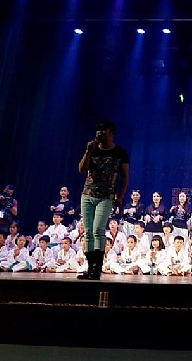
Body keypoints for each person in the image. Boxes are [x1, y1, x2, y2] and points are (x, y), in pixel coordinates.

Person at [77, 119, 130, 280]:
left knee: (98, 230)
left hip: (106, 197)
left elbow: (125, 176)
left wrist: (120, 196)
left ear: (111, 133)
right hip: (88, 194)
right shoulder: (92, 149)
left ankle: (97, 269)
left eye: (103, 130)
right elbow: (82, 170)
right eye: (98, 130)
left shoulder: (120, 152)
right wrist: (88, 152)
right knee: (88, 232)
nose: (100, 133)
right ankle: (90, 267)